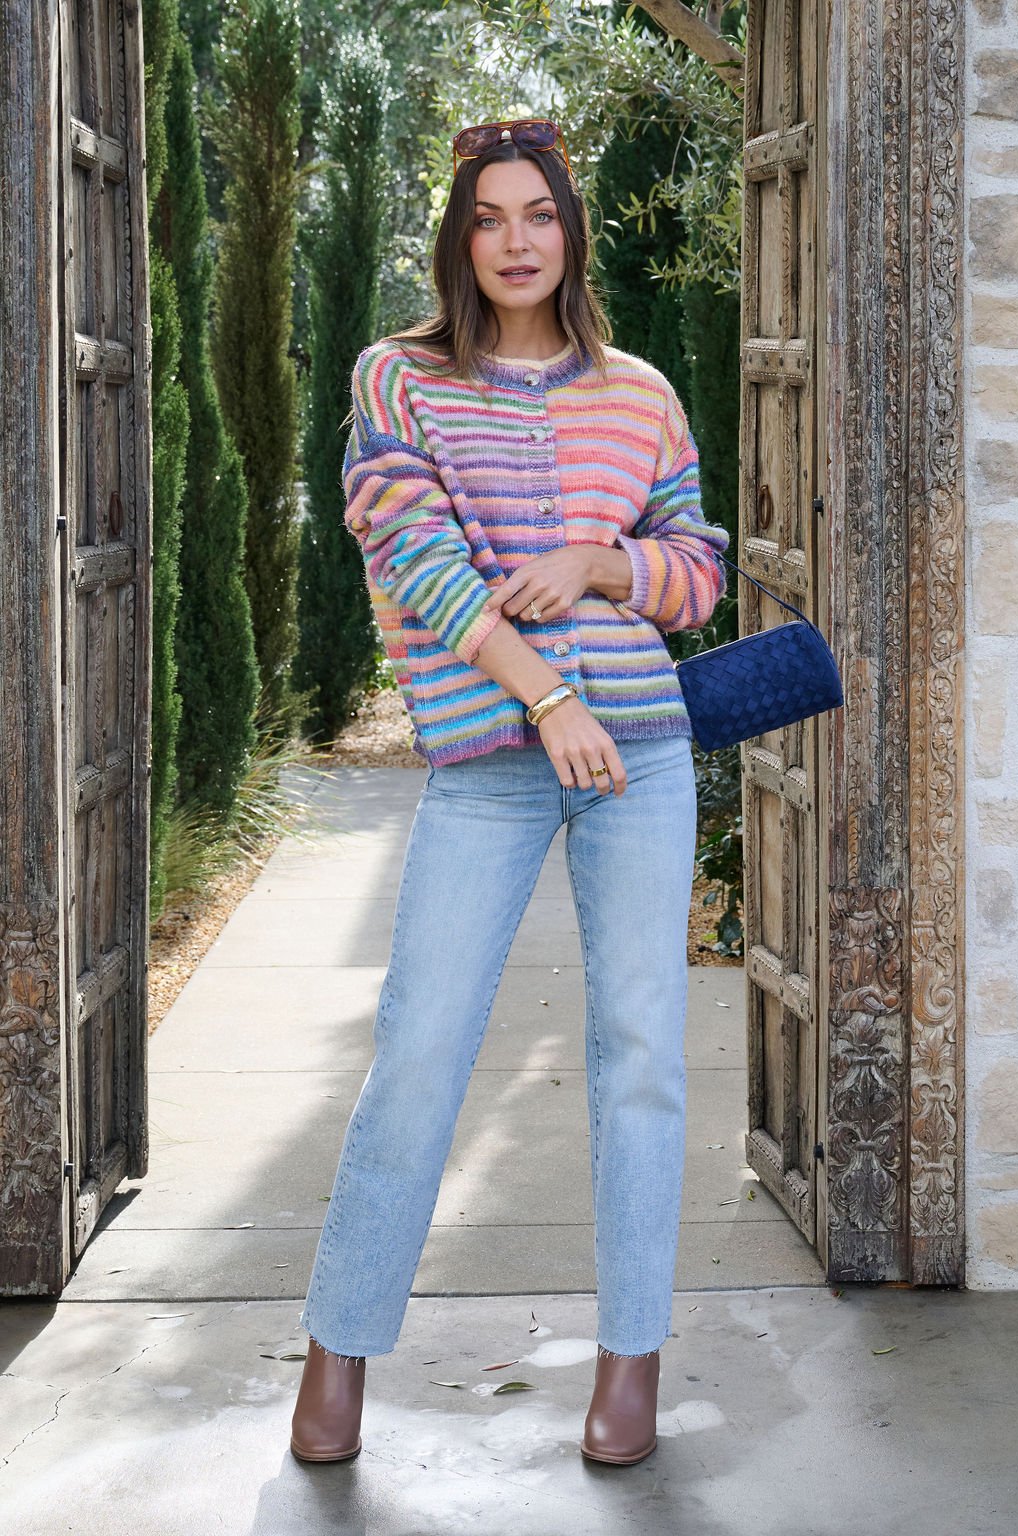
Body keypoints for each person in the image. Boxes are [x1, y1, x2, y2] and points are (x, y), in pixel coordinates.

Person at [289, 117, 729, 1468]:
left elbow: (696, 568)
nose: (518, 241)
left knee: (643, 1058)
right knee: (419, 1050)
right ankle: (338, 1352)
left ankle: (632, 1363)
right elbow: (411, 551)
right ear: (460, 237)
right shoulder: (401, 379)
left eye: (540, 214)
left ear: (570, 233)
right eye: (491, 218)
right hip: (495, 759)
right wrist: (544, 694)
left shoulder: (642, 392)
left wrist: (604, 564)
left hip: (642, 755)